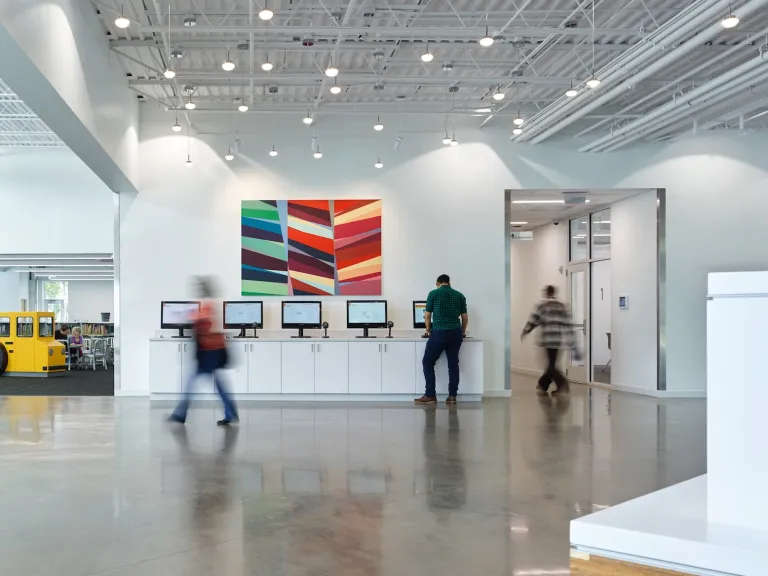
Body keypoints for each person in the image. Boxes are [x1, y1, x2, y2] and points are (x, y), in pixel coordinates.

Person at [169, 277, 238, 426]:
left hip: (210, 353)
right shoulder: (210, 304)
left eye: (199, 287)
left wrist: (188, 318)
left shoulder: (208, 305)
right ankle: (231, 413)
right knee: (218, 384)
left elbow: (205, 324)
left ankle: (180, 414)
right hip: (212, 352)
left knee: (191, 383)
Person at [415, 274, 468, 405]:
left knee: (427, 362)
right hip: (455, 333)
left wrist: (428, 330)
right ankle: (452, 396)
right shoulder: (460, 295)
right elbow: (465, 318)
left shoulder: (433, 294)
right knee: (453, 365)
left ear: (437, 283)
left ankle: (430, 395)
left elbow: (427, 316)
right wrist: (462, 332)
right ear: (449, 283)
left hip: (439, 332)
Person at [521, 285, 573, 395]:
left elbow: (534, 320)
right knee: (551, 363)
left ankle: (561, 384)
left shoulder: (542, 305)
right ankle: (543, 385)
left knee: (551, 365)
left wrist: (526, 330)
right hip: (558, 340)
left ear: (547, 293)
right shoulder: (561, 306)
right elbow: (567, 322)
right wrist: (570, 335)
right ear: (554, 293)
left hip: (548, 340)